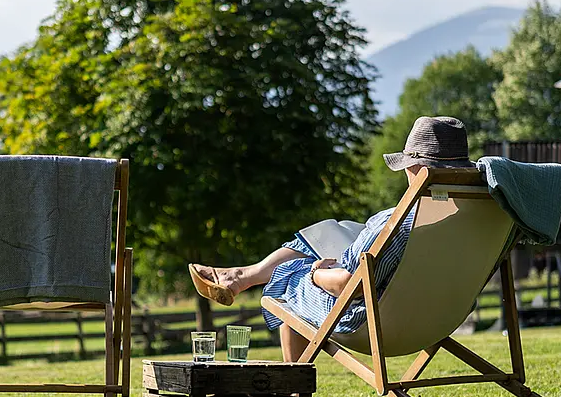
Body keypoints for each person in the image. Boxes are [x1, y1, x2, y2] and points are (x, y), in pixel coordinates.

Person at [188, 116, 476, 361]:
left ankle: (293, 387)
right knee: (328, 233)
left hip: (375, 322)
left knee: (291, 275)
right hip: (441, 319)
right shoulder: (478, 217)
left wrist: (316, 273)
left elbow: (347, 285)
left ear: (415, 169)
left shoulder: (396, 222)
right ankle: (240, 276)